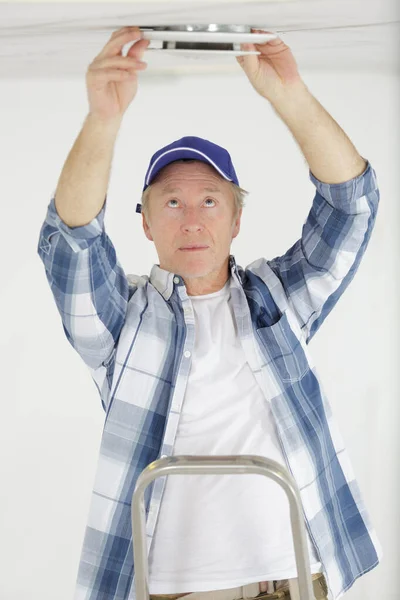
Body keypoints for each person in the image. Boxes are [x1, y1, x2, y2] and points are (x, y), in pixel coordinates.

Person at [37, 26, 382, 600]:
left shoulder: (277, 298)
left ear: (236, 219)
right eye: (171, 202)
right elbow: (70, 249)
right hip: (169, 590)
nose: (191, 220)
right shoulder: (123, 323)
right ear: (145, 222)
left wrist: (288, 95)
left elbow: (352, 207)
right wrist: (103, 119)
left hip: (291, 579)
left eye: (209, 201)